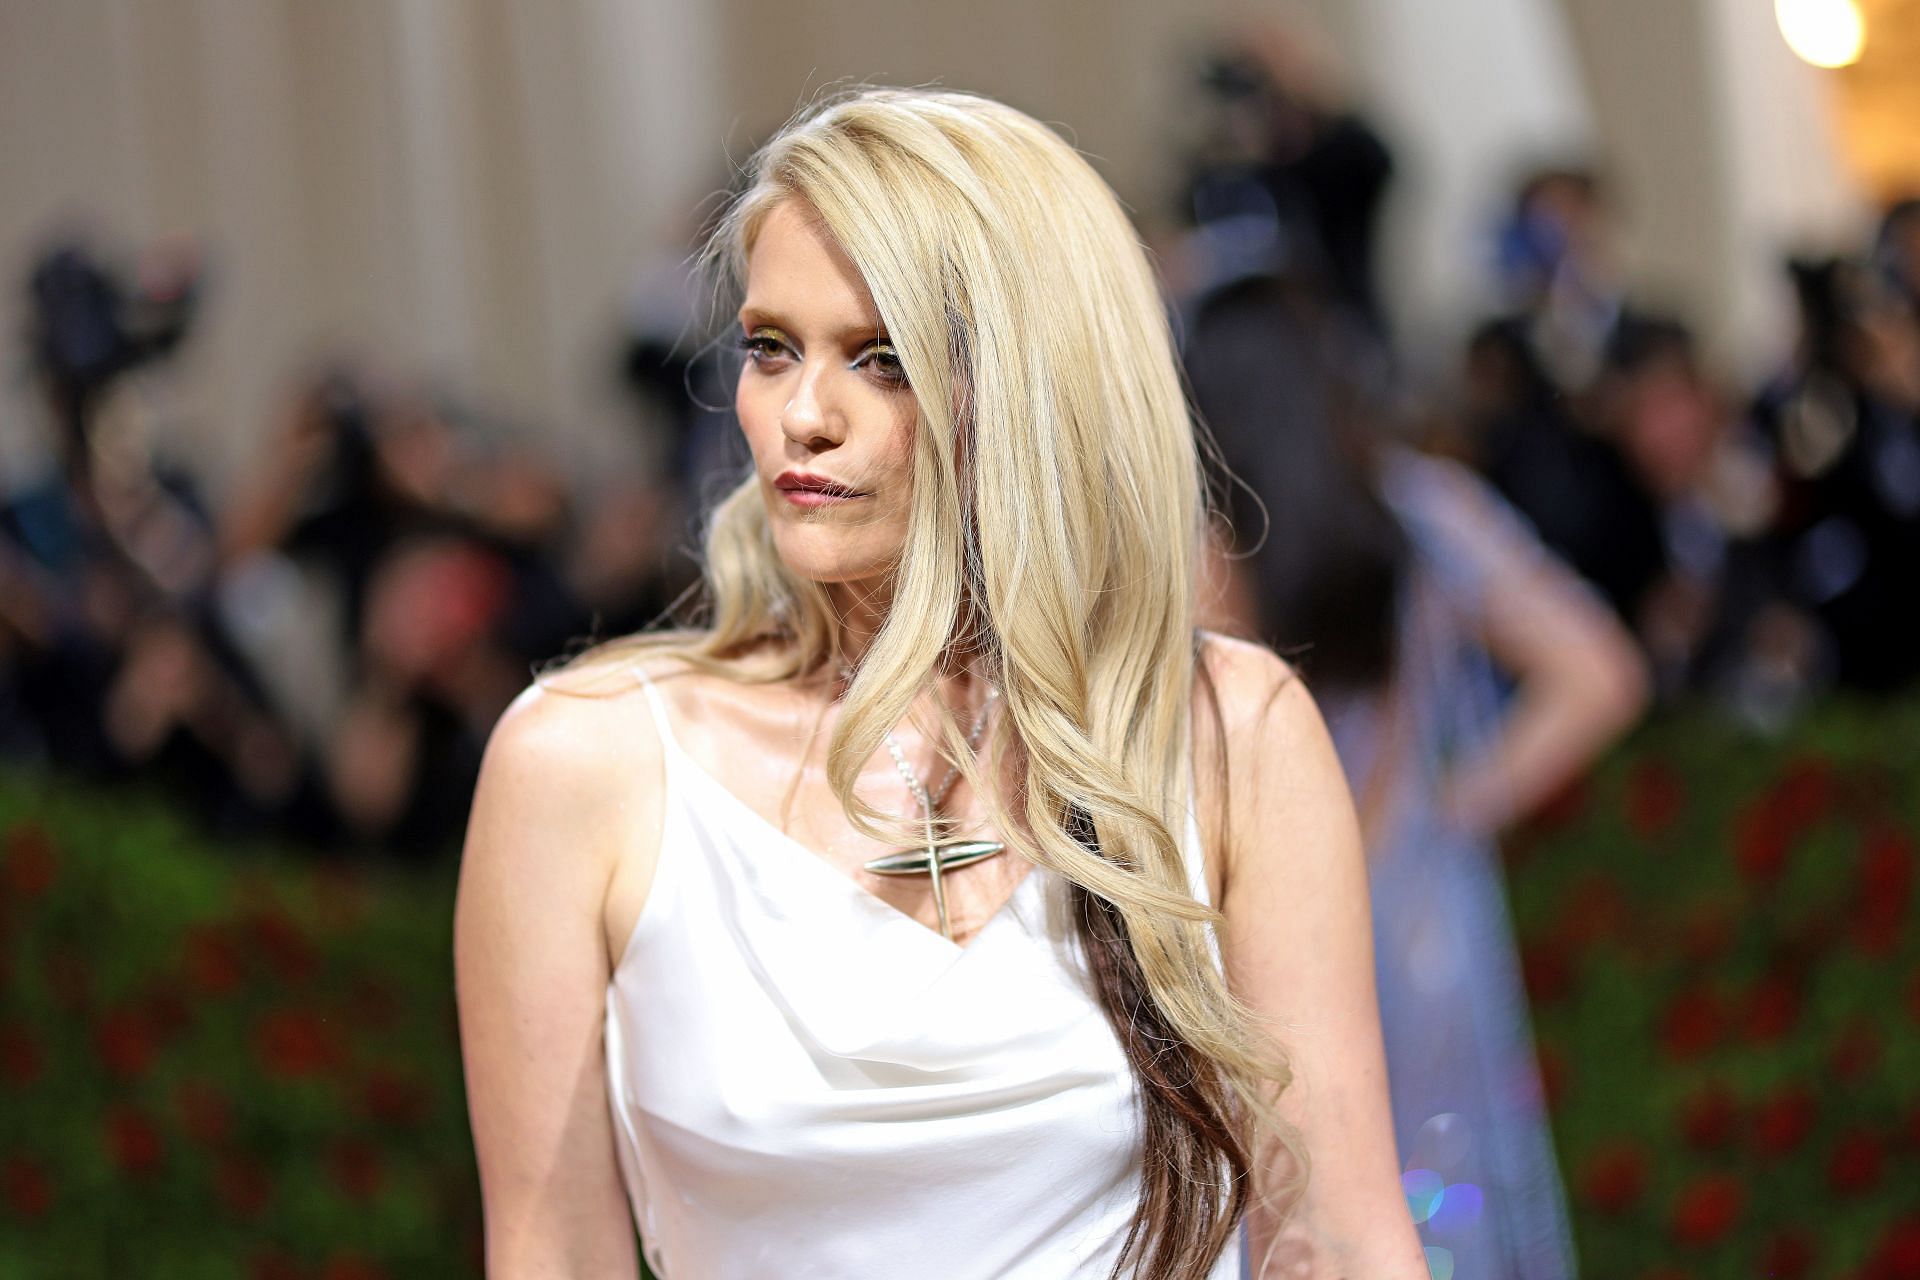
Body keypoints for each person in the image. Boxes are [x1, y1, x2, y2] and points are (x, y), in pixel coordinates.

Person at [454, 89, 1423, 1279]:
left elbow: (1340, 1243)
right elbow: (549, 1254)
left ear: (1033, 389)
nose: (803, 414)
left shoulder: (1225, 731)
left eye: (883, 357)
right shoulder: (585, 763)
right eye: (770, 346)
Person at [1188, 275, 1648, 1280]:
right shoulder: (1418, 508)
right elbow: (1599, 670)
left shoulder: (1198, 556)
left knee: (1300, 1210)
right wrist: (1448, 806)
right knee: (1436, 1211)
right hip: (1416, 917)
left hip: (1251, 940)